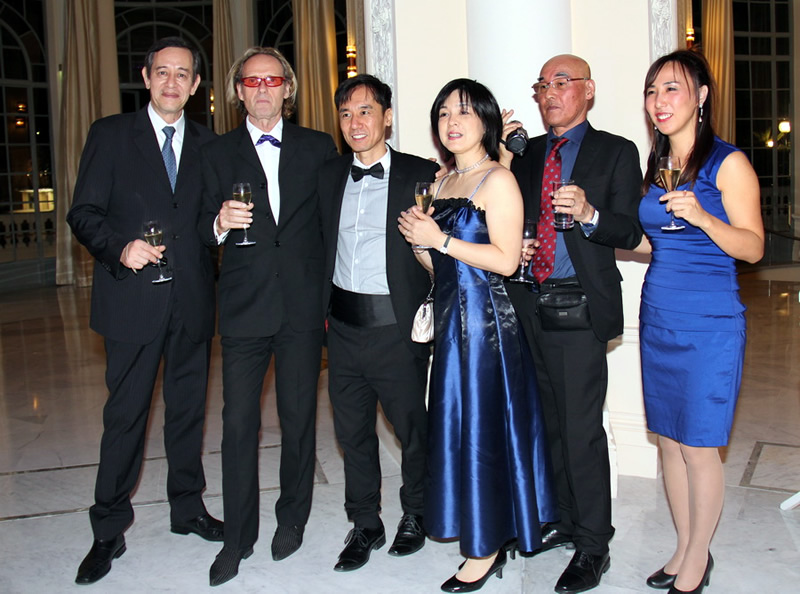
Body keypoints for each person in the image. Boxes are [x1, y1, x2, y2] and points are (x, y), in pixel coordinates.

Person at [67, 37, 222, 585]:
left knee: (187, 415)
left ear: (196, 84)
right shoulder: (111, 135)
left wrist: (220, 226)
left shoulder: (208, 144)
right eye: (163, 72)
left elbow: (205, 223)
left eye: (183, 74)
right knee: (125, 418)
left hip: (192, 302)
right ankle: (108, 528)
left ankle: (188, 509)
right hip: (132, 301)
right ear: (145, 76)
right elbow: (83, 212)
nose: (172, 82)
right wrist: (119, 248)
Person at [399, 78, 557, 593]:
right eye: (444, 112)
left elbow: (506, 261)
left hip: (487, 326)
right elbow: (440, 268)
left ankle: (485, 548)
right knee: (458, 428)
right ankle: (484, 529)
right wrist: (420, 242)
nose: (452, 121)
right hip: (451, 322)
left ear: (486, 121)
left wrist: (439, 238)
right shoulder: (443, 181)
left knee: (483, 432)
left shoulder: (498, 180)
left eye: (464, 111)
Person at [500, 54, 643, 594]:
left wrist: (588, 214)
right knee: (550, 423)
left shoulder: (616, 151)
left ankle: (594, 543)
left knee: (581, 431)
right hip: (529, 303)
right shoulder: (529, 152)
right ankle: (563, 518)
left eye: (562, 82)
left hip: (579, 308)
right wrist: (520, 243)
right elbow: (509, 216)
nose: (550, 92)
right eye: (542, 84)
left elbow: (630, 230)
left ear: (589, 90)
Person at [198, 47, 337, 587]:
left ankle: (292, 518)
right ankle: (237, 537)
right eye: (252, 81)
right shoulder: (215, 152)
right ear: (238, 91)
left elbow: (331, 226)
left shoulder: (318, 147)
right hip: (244, 308)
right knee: (238, 424)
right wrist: (218, 223)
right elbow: (198, 228)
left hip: (301, 306)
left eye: (272, 80)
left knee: (298, 418)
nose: (262, 89)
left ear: (288, 89)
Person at [637, 50, 763, 594]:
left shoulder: (727, 163)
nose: (659, 101)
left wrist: (704, 217)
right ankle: (685, 546)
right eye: (652, 91)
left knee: (698, 444)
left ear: (702, 96)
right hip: (659, 314)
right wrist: (594, 224)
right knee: (668, 440)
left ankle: (697, 560)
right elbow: (653, 241)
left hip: (709, 321)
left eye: (672, 88)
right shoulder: (656, 164)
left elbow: (753, 247)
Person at [317, 74, 438, 573]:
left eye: (365, 111)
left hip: (397, 328)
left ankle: (417, 512)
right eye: (346, 113)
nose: (355, 122)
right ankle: (365, 522)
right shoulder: (328, 175)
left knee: (412, 429)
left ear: (387, 118)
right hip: (343, 329)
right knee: (352, 434)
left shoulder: (421, 173)